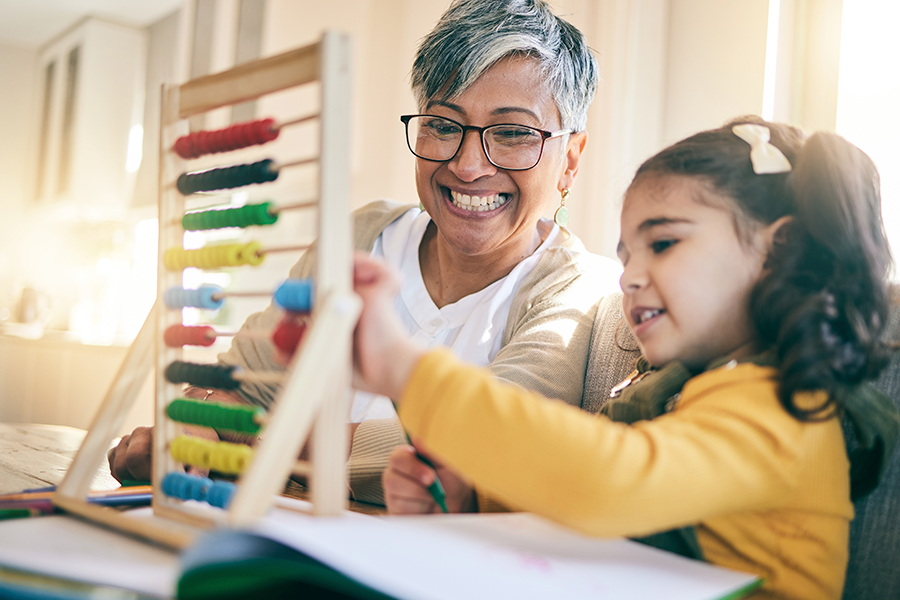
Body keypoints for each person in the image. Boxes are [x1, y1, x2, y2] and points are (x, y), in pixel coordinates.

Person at [353, 116, 900, 599]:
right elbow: (613, 519)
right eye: (627, 255)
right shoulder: (690, 390)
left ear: (774, 253)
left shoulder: (783, 411)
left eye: (662, 245)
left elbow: (608, 482)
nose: (631, 277)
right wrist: (472, 497)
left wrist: (407, 370)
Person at [108, 0, 624, 505]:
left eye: (513, 133)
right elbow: (241, 390)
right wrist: (202, 432)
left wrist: (258, 440)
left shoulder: (577, 293)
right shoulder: (359, 239)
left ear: (570, 159)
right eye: (443, 125)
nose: (468, 166)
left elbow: (478, 449)